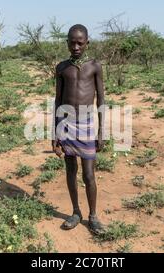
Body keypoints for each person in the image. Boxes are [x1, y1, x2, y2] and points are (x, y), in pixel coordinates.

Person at [52, 24, 106, 235]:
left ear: (87, 43)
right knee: (70, 171)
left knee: (89, 175)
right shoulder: (61, 68)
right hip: (66, 125)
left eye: (80, 43)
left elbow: (101, 98)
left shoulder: (94, 66)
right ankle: (76, 212)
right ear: (66, 42)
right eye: (72, 42)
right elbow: (57, 101)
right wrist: (54, 134)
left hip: (87, 125)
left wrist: (102, 131)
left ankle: (93, 216)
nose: (75, 47)